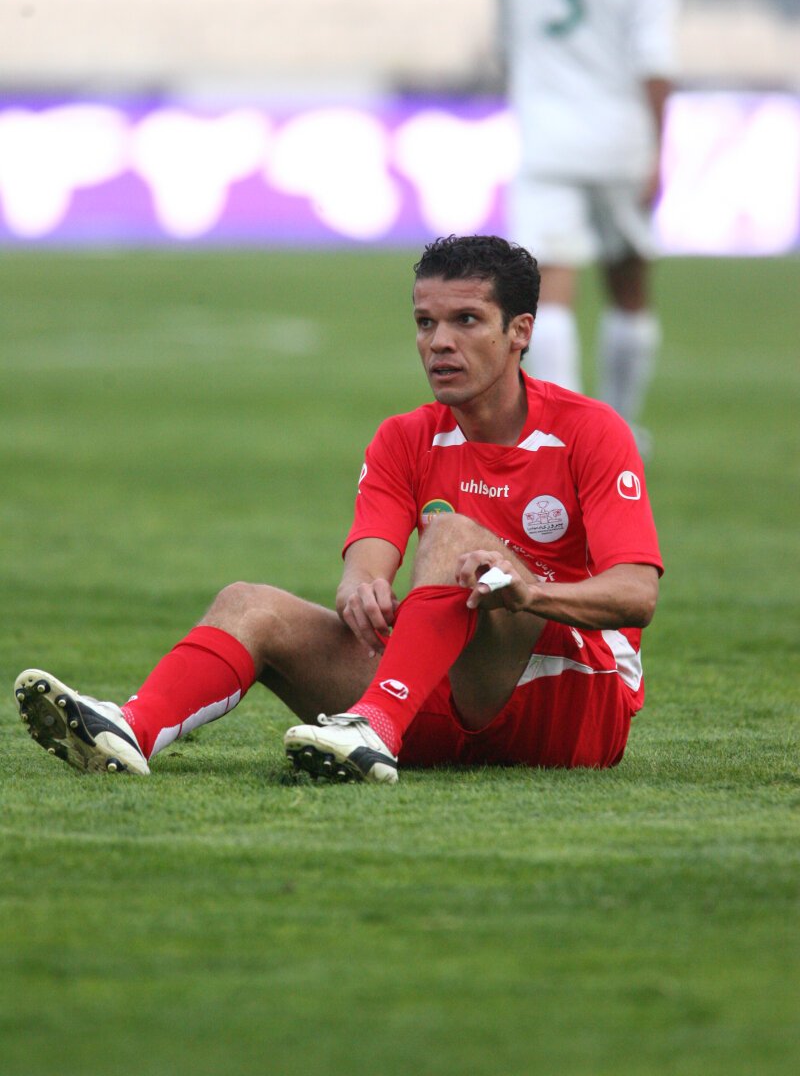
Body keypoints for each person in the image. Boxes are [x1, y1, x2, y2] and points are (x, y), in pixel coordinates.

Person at [14, 234, 662, 785]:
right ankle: (129, 729)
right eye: (425, 322)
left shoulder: (590, 431)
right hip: (432, 701)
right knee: (250, 604)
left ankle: (374, 725)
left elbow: (636, 595)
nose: (439, 342)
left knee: (449, 537)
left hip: (573, 701)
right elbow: (367, 562)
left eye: (465, 320)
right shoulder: (403, 437)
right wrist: (360, 588)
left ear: (520, 331)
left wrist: (527, 593)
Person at [491, 0, 681, 443]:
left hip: (546, 137)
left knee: (549, 286)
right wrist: (660, 147)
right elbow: (654, 58)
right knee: (629, 285)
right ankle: (618, 430)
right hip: (622, 137)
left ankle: (569, 436)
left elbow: (507, 46)